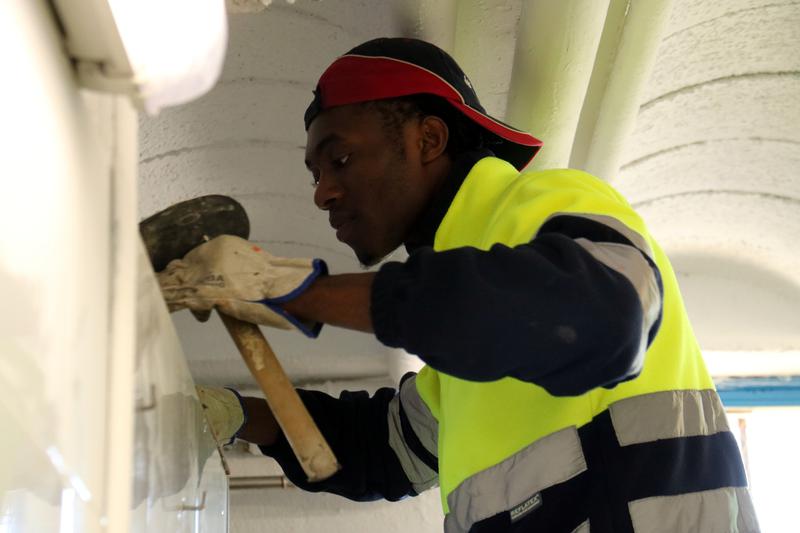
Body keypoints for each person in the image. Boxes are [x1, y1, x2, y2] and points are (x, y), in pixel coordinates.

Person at [159, 38, 759, 532]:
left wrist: (287, 287)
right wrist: (241, 415)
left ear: (429, 139)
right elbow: (386, 451)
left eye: (338, 160)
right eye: (315, 174)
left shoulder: (550, 203)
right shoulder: (465, 360)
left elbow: (602, 316)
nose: (322, 193)